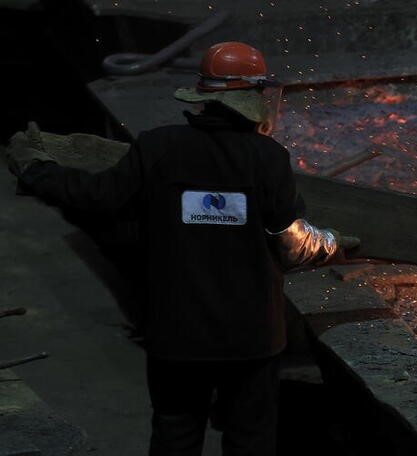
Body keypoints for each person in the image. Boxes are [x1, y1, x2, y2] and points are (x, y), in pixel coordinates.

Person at [5, 41, 359, 456]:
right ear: (254, 99)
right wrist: (333, 244)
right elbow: (293, 245)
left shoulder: (158, 147)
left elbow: (94, 196)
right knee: (250, 438)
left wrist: (36, 169)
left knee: (176, 433)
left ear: (205, 97)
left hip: (177, 333)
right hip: (251, 337)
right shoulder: (267, 158)